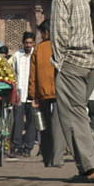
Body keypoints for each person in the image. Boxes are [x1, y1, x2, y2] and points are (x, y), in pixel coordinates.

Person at [50, 0, 94, 183]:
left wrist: (59, 63)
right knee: (79, 113)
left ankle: (91, 168)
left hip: (72, 61)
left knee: (73, 116)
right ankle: (89, 158)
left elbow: (59, 34)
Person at [31, 25, 58, 164]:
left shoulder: (38, 49)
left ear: (46, 32)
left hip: (43, 92)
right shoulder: (59, 46)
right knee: (59, 125)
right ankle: (57, 157)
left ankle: (47, 157)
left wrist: (33, 95)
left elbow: (33, 75)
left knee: (45, 127)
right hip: (59, 91)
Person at [12, 31, 39, 156]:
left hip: (33, 93)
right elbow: (12, 73)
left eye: (30, 43)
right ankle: (16, 145)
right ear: (23, 43)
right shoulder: (17, 55)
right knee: (17, 120)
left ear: (33, 43)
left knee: (32, 122)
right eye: (26, 43)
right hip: (19, 93)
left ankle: (28, 147)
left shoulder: (37, 54)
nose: (28, 45)